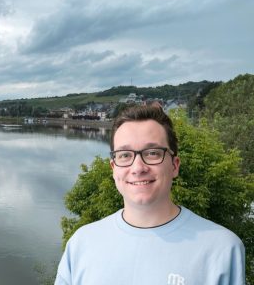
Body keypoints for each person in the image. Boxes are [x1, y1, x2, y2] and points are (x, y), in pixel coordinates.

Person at [55, 105, 245, 285]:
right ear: (114, 168)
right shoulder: (81, 243)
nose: (138, 168)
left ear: (174, 165)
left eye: (153, 153)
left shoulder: (222, 249)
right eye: (125, 155)